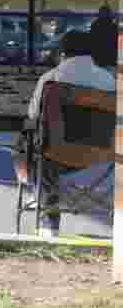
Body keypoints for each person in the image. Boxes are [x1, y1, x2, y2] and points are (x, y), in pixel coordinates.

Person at [12, 29, 115, 236]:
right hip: (99, 154)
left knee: (30, 145)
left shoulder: (51, 78)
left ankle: (48, 221)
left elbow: (33, 117)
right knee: (47, 150)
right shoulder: (109, 81)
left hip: (56, 154)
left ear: (62, 54)